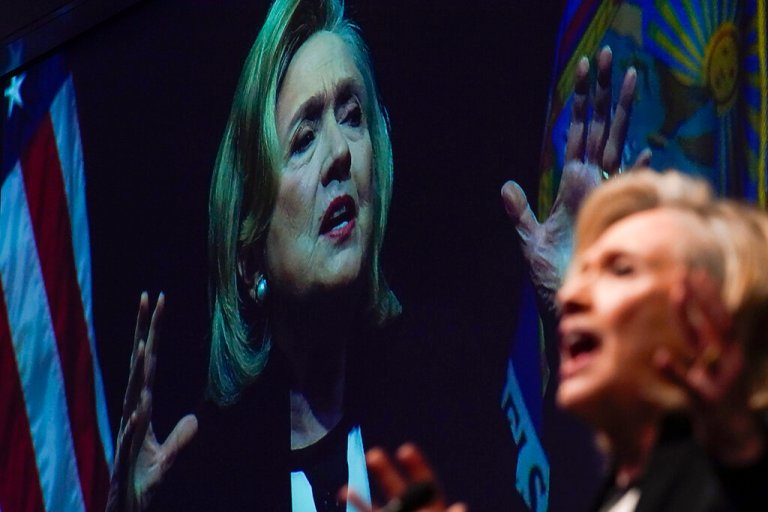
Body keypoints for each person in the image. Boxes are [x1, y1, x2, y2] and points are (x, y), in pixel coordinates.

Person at [105, 0, 638, 510]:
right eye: (304, 138)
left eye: (352, 115)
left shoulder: (444, 382)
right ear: (248, 257)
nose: (339, 153)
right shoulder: (211, 474)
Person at [556, 169, 768, 511]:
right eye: (582, 271)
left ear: (712, 314)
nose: (568, 295)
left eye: (621, 270)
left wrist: (741, 452)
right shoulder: (619, 494)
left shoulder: (738, 472)